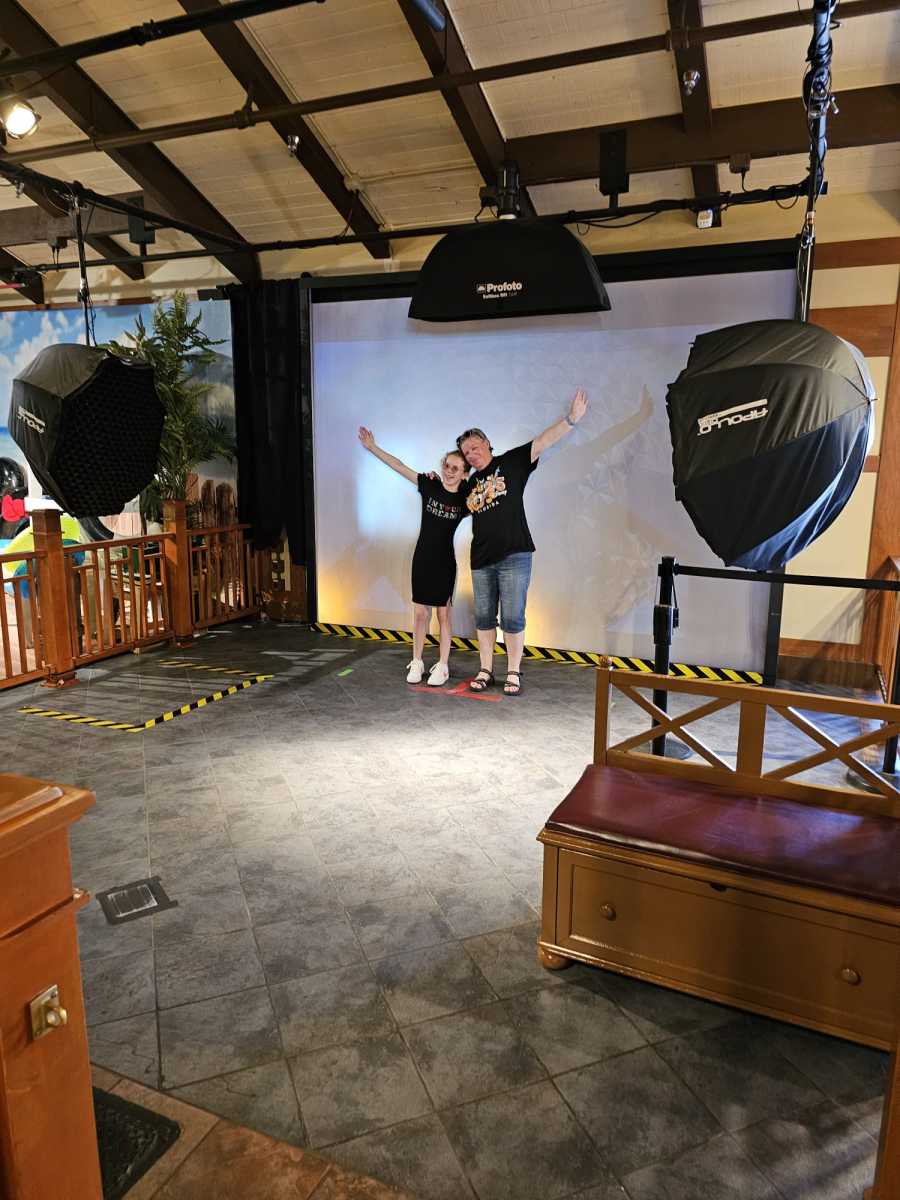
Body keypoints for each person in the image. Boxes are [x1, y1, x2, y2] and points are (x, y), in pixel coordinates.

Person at [457, 387, 588, 696]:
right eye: (466, 453)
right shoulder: (470, 483)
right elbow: (452, 504)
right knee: (484, 617)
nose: (471, 454)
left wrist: (571, 419)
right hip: (481, 559)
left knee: (513, 617)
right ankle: (486, 670)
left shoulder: (512, 461)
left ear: (487, 443)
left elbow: (542, 441)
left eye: (474, 447)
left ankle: (513, 672)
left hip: (515, 555)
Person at [358, 427, 469, 685]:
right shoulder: (429, 485)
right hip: (422, 559)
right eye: (446, 465)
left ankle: (442, 666)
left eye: (455, 468)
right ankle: (417, 661)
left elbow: (489, 506)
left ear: (465, 474)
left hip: (445, 563)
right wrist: (372, 447)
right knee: (420, 614)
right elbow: (399, 466)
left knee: (443, 615)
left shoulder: (465, 500)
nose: (449, 471)